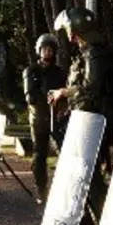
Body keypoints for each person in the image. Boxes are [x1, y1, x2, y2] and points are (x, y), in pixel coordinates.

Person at [48, 7, 113, 225]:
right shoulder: (86, 54)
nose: (69, 37)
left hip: (98, 124)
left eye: (70, 31)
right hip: (87, 122)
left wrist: (63, 92)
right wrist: (66, 106)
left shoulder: (96, 55)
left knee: (92, 180)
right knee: (87, 178)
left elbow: (91, 89)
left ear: (79, 29)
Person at [24, 33, 67, 201]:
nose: (47, 52)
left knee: (64, 152)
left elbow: (65, 91)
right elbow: (30, 96)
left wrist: (62, 104)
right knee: (39, 155)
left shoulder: (59, 72)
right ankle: (41, 190)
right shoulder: (31, 71)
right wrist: (47, 98)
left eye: (50, 49)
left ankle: (63, 189)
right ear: (39, 51)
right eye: (44, 49)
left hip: (58, 117)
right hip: (39, 117)